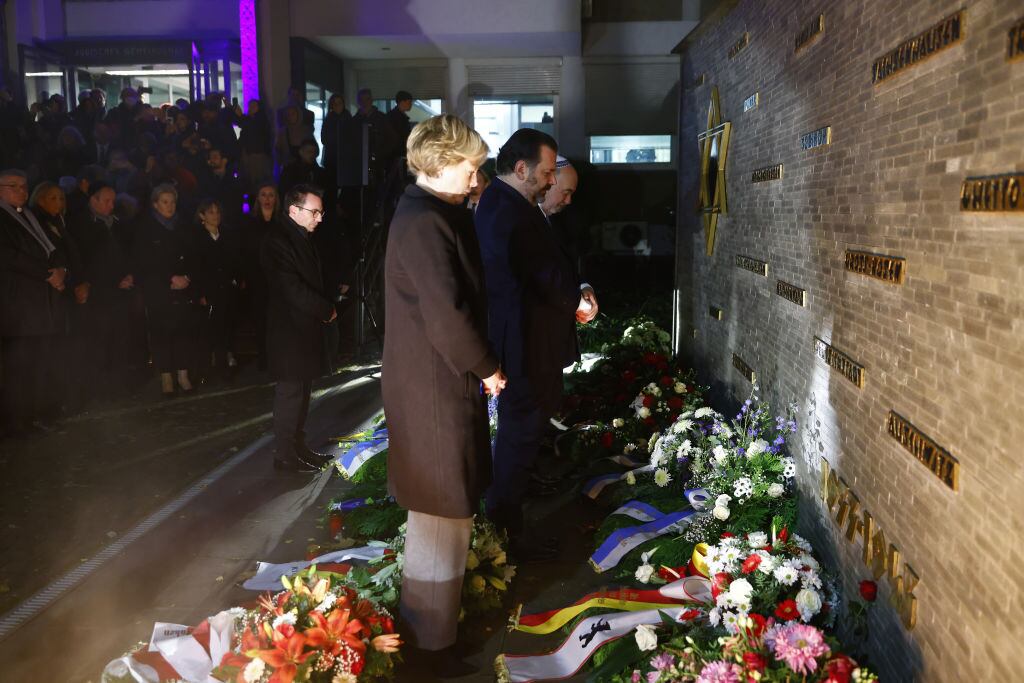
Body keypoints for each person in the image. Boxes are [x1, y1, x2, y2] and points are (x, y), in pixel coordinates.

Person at [382, 114, 504, 675]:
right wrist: (487, 368)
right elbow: (446, 313)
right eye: (471, 167)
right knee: (439, 513)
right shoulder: (426, 222)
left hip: (433, 383)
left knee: (444, 512)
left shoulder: (430, 213)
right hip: (434, 388)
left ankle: (433, 633)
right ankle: (430, 649)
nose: (477, 179)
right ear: (439, 163)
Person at [474, 129, 593, 562]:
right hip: (524, 347)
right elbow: (542, 274)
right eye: (545, 173)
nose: (549, 182)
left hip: (529, 342)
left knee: (520, 440)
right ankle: (506, 534)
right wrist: (577, 302)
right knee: (517, 441)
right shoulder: (507, 209)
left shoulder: (509, 205)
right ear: (521, 168)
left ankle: (507, 525)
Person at [260, 183, 335, 471]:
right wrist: (325, 309)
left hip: (302, 330)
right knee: (290, 394)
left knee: (302, 393)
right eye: (314, 212)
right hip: (288, 332)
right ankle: (285, 454)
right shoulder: (277, 240)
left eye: (321, 212)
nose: (319, 217)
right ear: (294, 210)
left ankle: (298, 447)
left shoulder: (299, 236)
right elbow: (292, 288)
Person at [0, 170, 65, 433]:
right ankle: (17, 421)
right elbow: (8, 255)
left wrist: (60, 271)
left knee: (37, 362)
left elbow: (49, 247)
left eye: (25, 186)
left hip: (39, 302)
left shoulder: (26, 215)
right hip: (17, 304)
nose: (22, 191)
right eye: (14, 186)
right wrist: (47, 274)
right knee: (19, 366)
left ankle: (34, 415)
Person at [69, 182, 137, 403]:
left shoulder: (118, 224)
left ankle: (119, 385)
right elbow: (86, 263)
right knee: (99, 342)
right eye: (106, 200)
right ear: (93, 200)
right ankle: (97, 388)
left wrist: (130, 274)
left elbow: (130, 253)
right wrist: (110, 282)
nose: (111, 205)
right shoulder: (81, 226)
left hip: (122, 294)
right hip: (99, 296)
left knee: (122, 340)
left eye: (112, 201)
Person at [133, 183, 200, 397]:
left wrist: (187, 277)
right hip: (159, 290)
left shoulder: (183, 226)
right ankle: (166, 377)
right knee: (162, 333)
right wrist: (169, 278)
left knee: (183, 332)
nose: (170, 206)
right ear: (155, 204)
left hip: (182, 289)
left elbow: (194, 255)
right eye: (165, 202)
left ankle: (183, 374)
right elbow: (145, 262)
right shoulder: (146, 229)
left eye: (172, 202)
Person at [193, 199, 242, 378]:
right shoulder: (198, 238)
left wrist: (235, 279)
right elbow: (197, 268)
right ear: (202, 216)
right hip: (209, 290)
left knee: (227, 326)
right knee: (210, 329)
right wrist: (201, 293)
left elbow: (234, 260)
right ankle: (211, 364)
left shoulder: (227, 235)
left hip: (227, 289)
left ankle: (227, 359)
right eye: (211, 212)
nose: (215, 216)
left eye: (217, 212)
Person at [242, 181, 277, 370]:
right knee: (260, 318)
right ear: (258, 198)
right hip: (257, 278)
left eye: (271, 195)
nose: (267, 199)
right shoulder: (250, 223)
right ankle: (264, 356)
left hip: (278, 278)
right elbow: (246, 252)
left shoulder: (282, 222)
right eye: (263, 194)